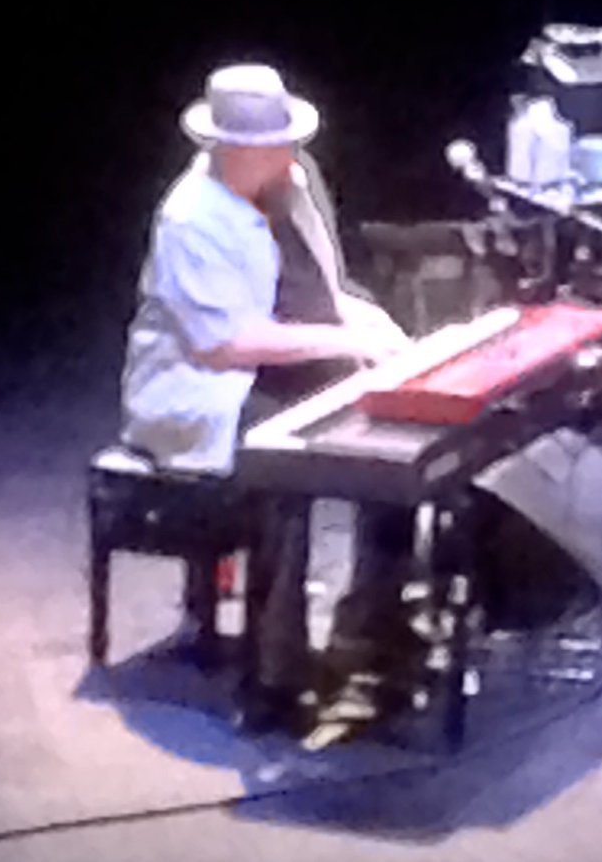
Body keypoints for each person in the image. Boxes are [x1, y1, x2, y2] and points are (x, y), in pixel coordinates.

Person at [118, 62, 410, 728]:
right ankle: (273, 678)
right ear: (230, 149)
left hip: (277, 358)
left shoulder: (294, 183)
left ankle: (369, 631)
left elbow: (326, 292)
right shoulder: (189, 218)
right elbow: (226, 345)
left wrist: (387, 342)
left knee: (397, 438)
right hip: (201, 385)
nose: (290, 153)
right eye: (274, 144)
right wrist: (340, 347)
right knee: (281, 464)